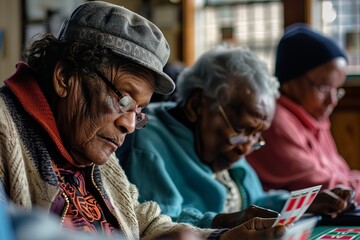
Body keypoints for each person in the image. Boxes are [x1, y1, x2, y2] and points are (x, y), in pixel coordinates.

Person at [0, 1, 288, 239]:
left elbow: (141, 219)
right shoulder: (6, 128)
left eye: (138, 111)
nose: (128, 123)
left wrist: (218, 237)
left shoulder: (88, 143)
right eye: (123, 99)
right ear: (65, 77)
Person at [117, 45, 355, 230]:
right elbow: (159, 226)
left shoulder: (233, 142)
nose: (247, 147)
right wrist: (230, 221)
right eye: (243, 131)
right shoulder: (146, 143)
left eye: (257, 135)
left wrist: (306, 202)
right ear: (197, 105)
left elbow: (257, 201)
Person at [247, 23, 360, 203]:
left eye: (337, 89)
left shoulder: (314, 117)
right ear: (289, 81)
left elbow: (341, 174)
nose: (332, 101)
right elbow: (327, 190)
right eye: (323, 87)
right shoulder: (275, 122)